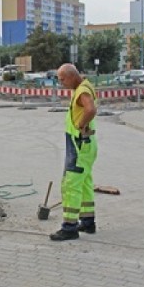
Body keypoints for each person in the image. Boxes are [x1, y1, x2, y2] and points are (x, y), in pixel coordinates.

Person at [50, 63, 98, 241]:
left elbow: (90, 109)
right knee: (84, 183)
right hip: (86, 145)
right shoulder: (83, 86)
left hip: (79, 144)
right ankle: (87, 221)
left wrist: (81, 125)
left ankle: (69, 227)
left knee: (71, 185)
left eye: (62, 79)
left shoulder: (82, 91)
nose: (61, 83)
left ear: (71, 76)